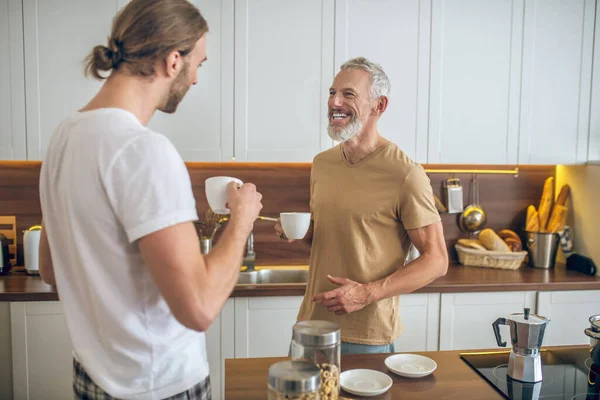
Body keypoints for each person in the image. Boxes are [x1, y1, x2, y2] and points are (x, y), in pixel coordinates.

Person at [38, 1, 262, 399]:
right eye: (199, 63)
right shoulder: (144, 152)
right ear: (173, 61)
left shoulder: (63, 137)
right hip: (159, 387)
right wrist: (242, 219)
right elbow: (199, 308)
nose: (195, 79)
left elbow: (51, 270)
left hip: (91, 379)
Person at [275, 57, 448, 355]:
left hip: (366, 335)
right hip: (310, 326)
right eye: (332, 93)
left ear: (379, 106)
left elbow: (437, 260)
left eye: (348, 94)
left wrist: (366, 294)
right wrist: (298, 232)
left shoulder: (405, 174)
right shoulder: (322, 164)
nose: (335, 102)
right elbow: (337, 238)